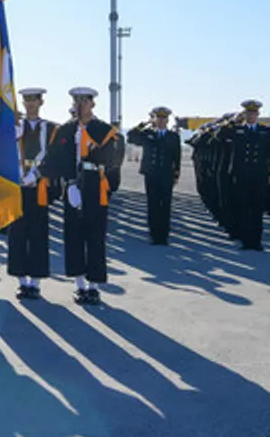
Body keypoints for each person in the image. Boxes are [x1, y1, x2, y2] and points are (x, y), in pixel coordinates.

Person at [43, 86, 120, 305]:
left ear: (92, 104)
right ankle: (79, 284)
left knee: (95, 235)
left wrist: (107, 187)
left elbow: (112, 160)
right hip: (72, 187)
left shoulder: (103, 130)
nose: (80, 105)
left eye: (84, 101)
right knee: (74, 235)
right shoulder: (65, 130)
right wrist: (63, 183)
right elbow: (54, 158)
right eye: (76, 101)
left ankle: (94, 285)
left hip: (95, 185)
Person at [7, 87, 59, 300]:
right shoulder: (13, 127)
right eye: (26, 100)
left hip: (39, 187)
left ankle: (35, 282)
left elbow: (55, 158)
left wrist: (36, 175)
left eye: (33, 100)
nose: (29, 104)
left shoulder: (52, 129)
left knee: (38, 234)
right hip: (16, 185)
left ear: (41, 102)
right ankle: (21, 281)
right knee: (17, 233)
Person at [220, 99, 270, 251]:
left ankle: (256, 241)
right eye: (248, 113)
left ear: (258, 114)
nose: (251, 116)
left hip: (259, 175)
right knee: (243, 208)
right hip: (241, 175)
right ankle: (246, 241)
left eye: (253, 113)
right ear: (244, 114)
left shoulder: (265, 132)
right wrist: (233, 121)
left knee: (257, 209)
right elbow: (220, 135)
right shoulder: (237, 130)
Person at [126, 106, 182, 245]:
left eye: (164, 118)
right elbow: (131, 136)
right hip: (151, 173)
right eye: (158, 117)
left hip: (166, 174)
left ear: (167, 120)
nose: (161, 120)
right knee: (153, 204)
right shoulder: (147, 133)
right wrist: (143, 124)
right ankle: (154, 233)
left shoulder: (173, 136)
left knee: (166, 205)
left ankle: (164, 235)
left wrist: (176, 174)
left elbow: (177, 156)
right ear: (154, 119)